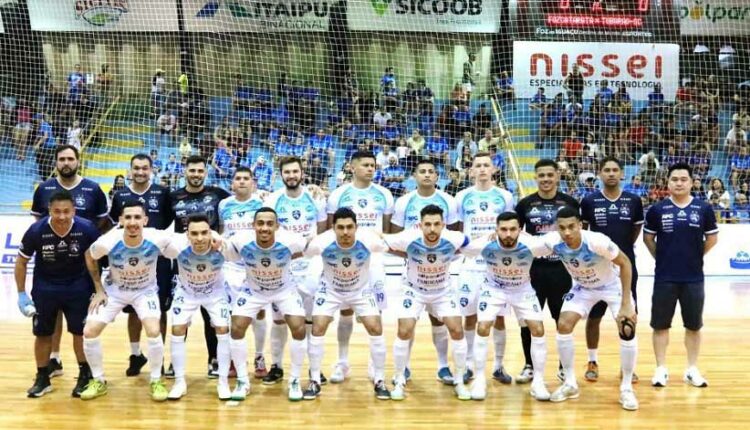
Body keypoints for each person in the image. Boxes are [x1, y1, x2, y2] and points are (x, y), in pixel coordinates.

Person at [541, 206, 639, 411]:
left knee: (627, 327)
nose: (567, 232)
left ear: (579, 225)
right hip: (583, 287)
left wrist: (627, 302)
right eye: (562, 228)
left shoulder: (597, 241)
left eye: (571, 227)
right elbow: (528, 244)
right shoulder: (553, 241)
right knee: (563, 324)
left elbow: (626, 263)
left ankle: (627, 388)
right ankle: (569, 384)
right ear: (556, 228)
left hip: (611, 286)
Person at [78, 201, 172, 401]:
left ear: (145, 220)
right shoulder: (109, 240)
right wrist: (98, 289)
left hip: (144, 292)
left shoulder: (157, 237)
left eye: (137, 217)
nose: (132, 222)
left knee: (154, 331)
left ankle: (156, 380)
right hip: (114, 291)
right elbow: (89, 255)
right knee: (89, 331)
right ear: (120, 220)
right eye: (127, 217)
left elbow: (183, 239)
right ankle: (98, 381)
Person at [30, 144, 109, 377]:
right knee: (51, 315)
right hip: (50, 265)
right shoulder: (43, 189)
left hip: (82, 267)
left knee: (78, 322)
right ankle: (53, 359)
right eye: (62, 159)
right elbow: (37, 222)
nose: (66, 163)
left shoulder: (93, 189)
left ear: (78, 161)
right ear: (56, 162)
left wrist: (86, 241)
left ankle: (86, 371)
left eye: (70, 159)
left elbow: (103, 221)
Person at [16, 191, 100, 398]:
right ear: (49, 211)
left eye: (66, 211)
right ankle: (42, 377)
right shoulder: (36, 230)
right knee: (42, 334)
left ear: (74, 210)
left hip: (78, 287)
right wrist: (21, 293)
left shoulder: (87, 229)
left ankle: (85, 375)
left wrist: (100, 288)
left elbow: (97, 260)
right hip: (46, 288)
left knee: (80, 333)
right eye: (56, 212)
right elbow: (21, 261)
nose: (62, 216)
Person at [461, 212, 551, 401]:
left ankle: (539, 382)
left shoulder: (533, 244)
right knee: (483, 326)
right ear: (496, 229)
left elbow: (557, 243)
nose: (508, 234)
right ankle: (479, 380)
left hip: (522, 289)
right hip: (493, 289)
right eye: (503, 229)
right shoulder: (485, 243)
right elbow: (462, 246)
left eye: (512, 229)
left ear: (520, 229)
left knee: (538, 328)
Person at [383, 205, 470, 400]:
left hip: (442, 291)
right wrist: (406, 253)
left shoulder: (454, 237)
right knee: (404, 330)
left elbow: (470, 244)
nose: (432, 229)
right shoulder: (407, 237)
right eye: (427, 224)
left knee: (456, 329)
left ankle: (459, 380)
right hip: (413, 290)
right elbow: (382, 241)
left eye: (436, 224)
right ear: (419, 225)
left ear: (443, 225)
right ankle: (399, 379)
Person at [221, 208, 309, 401]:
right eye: (260, 223)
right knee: (236, 328)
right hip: (253, 290)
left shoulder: (291, 239)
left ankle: (294, 380)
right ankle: (243, 381)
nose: (264, 228)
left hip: (284, 290)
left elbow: (311, 246)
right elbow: (226, 252)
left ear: (277, 226)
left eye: (270, 224)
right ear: (253, 225)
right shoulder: (240, 240)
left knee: (299, 327)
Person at [643, 162, 718, 388]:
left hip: (694, 278)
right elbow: (648, 239)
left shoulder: (703, 209)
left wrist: (695, 256)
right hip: (665, 277)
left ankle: (692, 369)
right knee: (660, 325)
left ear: (691, 182)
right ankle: (661, 369)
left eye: (683, 179)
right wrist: (662, 258)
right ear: (668, 182)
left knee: (694, 326)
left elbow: (712, 239)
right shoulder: (657, 209)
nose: (678, 183)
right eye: (674, 179)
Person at [302, 208, 390, 400]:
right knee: (318, 327)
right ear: (333, 228)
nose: (345, 232)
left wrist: (381, 234)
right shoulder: (322, 242)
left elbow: (391, 245)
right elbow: (304, 252)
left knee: (375, 327)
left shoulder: (369, 239)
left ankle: (380, 380)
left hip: (360, 289)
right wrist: (308, 239)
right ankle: (315, 380)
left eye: (350, 227)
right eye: (340, 228)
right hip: (330, 289)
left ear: (356, 227)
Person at [325, 151, 394, 383]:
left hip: (374, 261)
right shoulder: (338, 195)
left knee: (376, 312)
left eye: (373, 165)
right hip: (346, 260)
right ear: (352, 167)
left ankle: (375, 365)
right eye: (365, 165)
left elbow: (386, 232)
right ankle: (342, 363)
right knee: (345, 310)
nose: (370, 168)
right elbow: (330, 229)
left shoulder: (384, 194)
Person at [391, 158, 459, 384]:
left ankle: (443, 367)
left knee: (439, 321)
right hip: (413, 272)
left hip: (440, 274)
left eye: (431, 171)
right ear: (415, 175)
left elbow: (455, 237)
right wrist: (414, 255)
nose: (427, 175)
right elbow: (394, 238)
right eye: (422, 171)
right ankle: (404, 368)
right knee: (407, 323)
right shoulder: (403, 202)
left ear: (437, 176)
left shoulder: (448, 201)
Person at [264, 156, 328, 384]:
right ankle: (277, 365)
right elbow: (267, 230)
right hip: (282, 268)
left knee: (310, 321)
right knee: (279, 320)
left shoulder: (316, 198)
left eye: (295, 171)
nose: (291, 176)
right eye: (287, 172)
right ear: (281, 175)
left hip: (310, 267)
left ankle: (314, 369)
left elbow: (322, 233)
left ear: (302, 173)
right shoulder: (273, 200)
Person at [109, 153, 174, 377]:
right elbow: (115, 225)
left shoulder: (162, 193)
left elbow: (167, 223)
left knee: (161, 309)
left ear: (151, 170)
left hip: (160, 260)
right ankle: (135, 354)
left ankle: (160, 357)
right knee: (133, 309)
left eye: (144, 168)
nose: (140, 172)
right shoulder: (120, 195)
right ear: (130, 170)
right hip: (129, 262)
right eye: (136, 168)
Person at [514, 159, 579, 383]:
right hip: (533, 271)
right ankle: (529, 365)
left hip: (562, 270)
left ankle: (564, 367)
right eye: (541, 175)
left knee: (563, 321)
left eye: (550, 175)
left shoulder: (570, 203)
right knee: (529, 319)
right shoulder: (525, 204)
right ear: (535, 178)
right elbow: (516, 233)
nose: (546, 179)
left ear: (557, 176)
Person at [580, 157, 644, 383]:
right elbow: (585, 234)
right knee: (594, 316)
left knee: (628, 315)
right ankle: (592, 360)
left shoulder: (634, 200)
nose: (611, 174)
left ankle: (627, 368)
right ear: (599, 174)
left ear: (622, 174)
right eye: (606, 170)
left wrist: (621, 254)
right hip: (596, 269)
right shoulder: (589, 201)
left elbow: (634, 233)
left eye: (615, 170)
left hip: (626, 266)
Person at [455, 153, 515, 384]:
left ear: (494, 169)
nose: (481, 169)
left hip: (497, 265)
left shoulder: (505, 197)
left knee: (498, 318)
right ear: (470, 170)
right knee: (469, 316)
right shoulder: (461, 197)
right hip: (470, 265)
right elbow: (459, 230)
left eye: (486, 165)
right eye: (477, 165)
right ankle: (469, 364)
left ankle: (498, 366)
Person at [169, 155, 230, 377]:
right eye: (192, 170)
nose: (196, 174)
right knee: (180, 315)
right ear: (185, 171)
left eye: (200, 171)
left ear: (205, 172)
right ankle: (175, 363)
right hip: (184, 262)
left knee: (210, 314)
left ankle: (213, 359)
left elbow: (238, 205)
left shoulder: (218, 194)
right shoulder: (173, 197)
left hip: (211, 262)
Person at [162, 214, 230, 400]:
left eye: (204, 233)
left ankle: (223, 382)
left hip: (214, 293)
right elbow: (157, 239)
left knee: (223, 329)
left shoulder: (221, 245)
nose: (199, 238)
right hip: (187, 293)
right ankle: (179, 382)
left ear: (210, 233)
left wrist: (217, 237)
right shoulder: (177, 245)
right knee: (177, 329)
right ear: (187, 235)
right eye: (194, 233)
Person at [217, 167, 268, 379]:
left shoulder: (262, 203)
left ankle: (259, 356)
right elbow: (222, 232)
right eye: (238, 178)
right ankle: (231, 359)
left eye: (246, 178)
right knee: (232, 314)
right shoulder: (224, 205)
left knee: (259, 312)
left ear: (253, 182)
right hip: (230, 266)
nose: (242, 182)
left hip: (254, 265)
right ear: (232, 183)